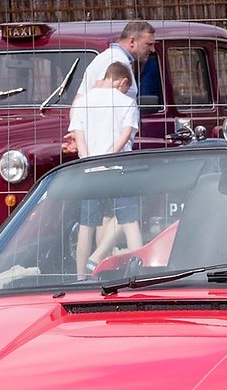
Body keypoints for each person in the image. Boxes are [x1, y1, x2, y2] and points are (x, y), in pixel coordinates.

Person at [69, 62, 142, 275]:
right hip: (119, 167)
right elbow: (126, 133)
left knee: (87, 224)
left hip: (91, 169)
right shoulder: (126, 102)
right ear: (123, 81)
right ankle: (139, 272)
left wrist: (89, 160)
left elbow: (78, 136)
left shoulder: (83, 102)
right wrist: (111, 155)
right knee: (129, 221)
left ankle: (81, 276)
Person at [75, 21, 156, 102]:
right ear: (132, 42)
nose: (153, 50)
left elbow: (78, 101)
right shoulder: (117, 61)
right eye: (149, 44)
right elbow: (106, 103)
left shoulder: (106, 57)